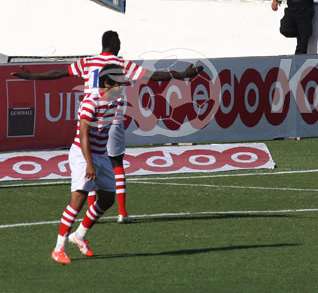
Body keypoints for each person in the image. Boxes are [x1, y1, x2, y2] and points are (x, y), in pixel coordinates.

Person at [12, 30, 203, 223]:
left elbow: (59, 73)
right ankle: (122, 212)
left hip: (91, 114)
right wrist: (183, 75)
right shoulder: (121, 64)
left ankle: (91, 214)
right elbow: (154, 76)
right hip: (113, 116)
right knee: (116, 162)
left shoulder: (88, 62)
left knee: (92, 158)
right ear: (115, 45)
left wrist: (33, 77)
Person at [50, 64, 127, 264]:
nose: (123, 86)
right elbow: (83, 133)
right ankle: (58, 248)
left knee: (108, 198)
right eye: (119, 83)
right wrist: (89, 164)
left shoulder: (114, 101)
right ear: (108, 83)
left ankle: (79, 235)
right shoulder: (91, 102)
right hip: (83, 155)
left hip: (100, 155)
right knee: (78, 198)